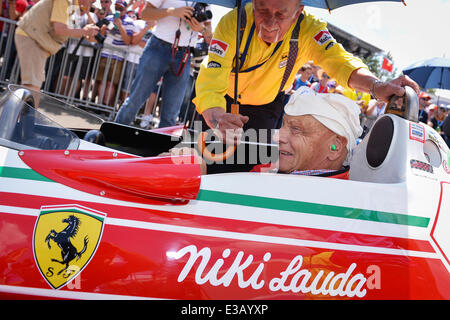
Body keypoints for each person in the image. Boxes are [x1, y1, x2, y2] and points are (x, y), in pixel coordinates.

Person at [193, 0, 419, 149]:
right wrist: (216, 115)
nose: (270, 23)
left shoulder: (309, 29)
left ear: (298, 12)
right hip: (219, 107)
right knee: (198, 167)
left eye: (281, 14)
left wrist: (377, 86)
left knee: (249, 174)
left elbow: (340, 61)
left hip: (264, 112)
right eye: (262, 10)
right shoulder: (234, 21)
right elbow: (213, 72)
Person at [166, 87, 363, 179]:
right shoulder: (276, 167)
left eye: (296, 129)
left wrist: (197, 179)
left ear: (335, 147)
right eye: (284, 125)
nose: (278, 136)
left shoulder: (330, 203)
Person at [114, 0, 213, 128]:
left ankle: (162, 148)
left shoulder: (206, 2)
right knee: (135, 99)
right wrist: (171, 11)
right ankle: (111, 137)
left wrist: (202, 29)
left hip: (185, 54)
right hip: (158, 48)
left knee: (171, 113)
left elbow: (209, 31)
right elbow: (144, 14)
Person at [14, 0, 99, 94]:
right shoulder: (65, 1)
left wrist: (86, 34)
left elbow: (70, 30)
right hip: (32, 38)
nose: (92, 4)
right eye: (91, 1)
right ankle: (17, 108)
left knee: (34, 86)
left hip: (37, 40)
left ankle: (24, 108)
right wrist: (84, 32)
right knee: (31, 86)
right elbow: (60, 29)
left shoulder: (73, 6)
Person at [92, 0, 134, 107]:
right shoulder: (108, 18)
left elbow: (128, 41)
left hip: (118, 57)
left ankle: (104, 105)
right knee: (101, 80)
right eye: (117, 8)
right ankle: (99, 104)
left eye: (121, 9)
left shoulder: (130, 22)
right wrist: (103, 30)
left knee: (111, 83)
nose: (118, 11)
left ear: (125, 10)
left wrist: (120, 26)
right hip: (105, 53)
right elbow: (100, 36)